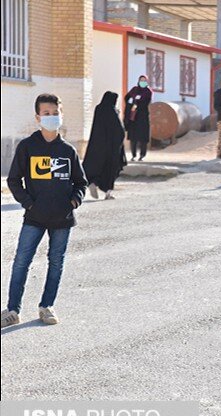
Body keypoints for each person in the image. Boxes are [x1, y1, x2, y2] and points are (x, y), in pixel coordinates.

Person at [1, 93, 87, 328]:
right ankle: (12, 310)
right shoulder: (28, 147)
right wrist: (29, 203)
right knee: (21, 261)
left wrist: (73, 202)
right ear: (38, 117)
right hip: (34, 217)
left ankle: (46, 306)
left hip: (62, 219)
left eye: (55, 113)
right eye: (46, 114)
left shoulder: (68, 151)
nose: (51, 117)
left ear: (61, 114)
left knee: (56, 262)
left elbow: (81, 183)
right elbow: (14, 180)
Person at [83, 91, 127, 200]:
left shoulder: (99, 109)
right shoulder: (112, 111)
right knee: (110, 169)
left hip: (97, 145)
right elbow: (119, 130)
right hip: (111, 147)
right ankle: (107, 193)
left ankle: (93, 182)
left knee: (96, 166)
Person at [124, 75, 152, 161]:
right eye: (141, 80)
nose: (142, 82)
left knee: (143, 137)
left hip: (143, 116)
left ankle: (142, 155)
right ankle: (133, 155)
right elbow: (127, 97)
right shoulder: (135, 89)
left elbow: (146, 102)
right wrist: (130, 104)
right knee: (133, 136)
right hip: (134, 116)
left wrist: (137, 102)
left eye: (144, 81)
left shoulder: (148, 91)